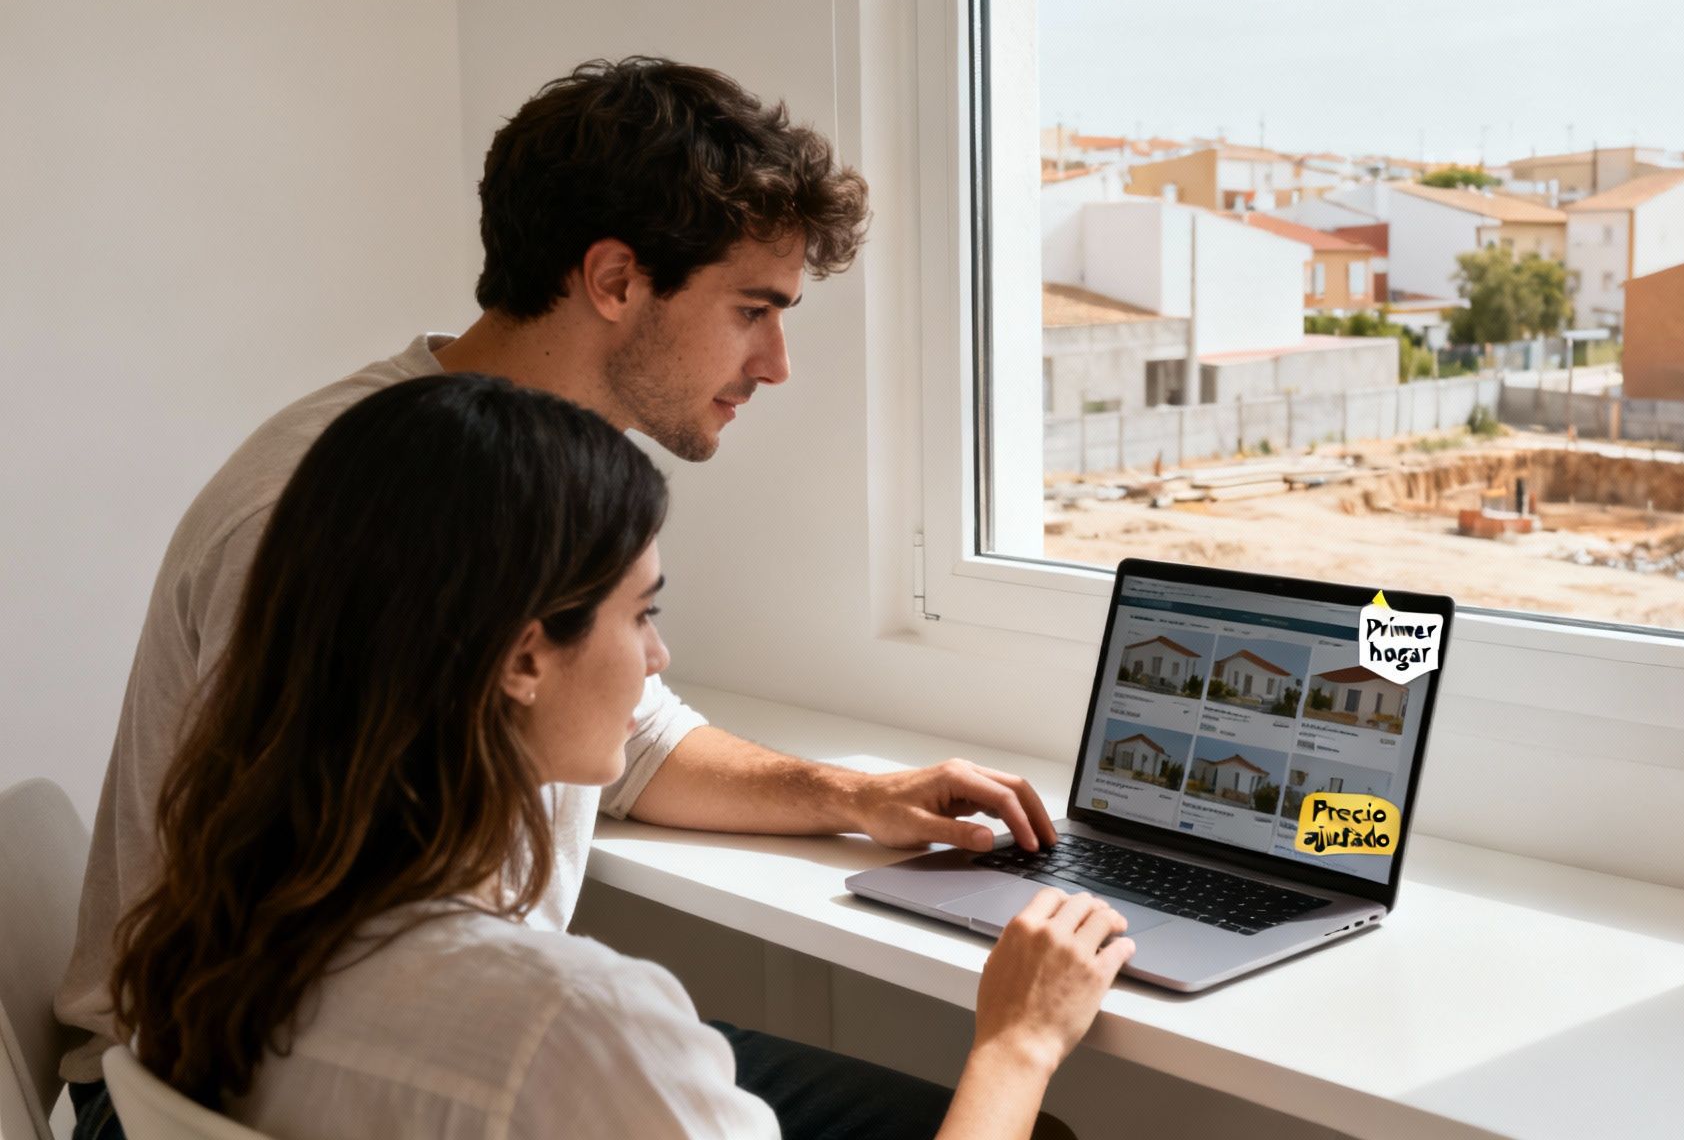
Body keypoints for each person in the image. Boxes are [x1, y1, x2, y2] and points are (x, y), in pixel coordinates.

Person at [58, 57, 1066, 1136]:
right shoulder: (345, 506)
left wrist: (850, 796)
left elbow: (621, 736)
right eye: (752, 309)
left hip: (358, 1032)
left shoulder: (505, 489)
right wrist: (1020, 1042)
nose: (775, 364)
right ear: (616, 280)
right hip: (250, 1079)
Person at [108, 374, 1132, 1138]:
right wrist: (1018, 1041)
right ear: (521, 657)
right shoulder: (569, 1021)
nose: (657, 660)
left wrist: (846, 791)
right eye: (640, 614)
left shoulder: (199, 936)